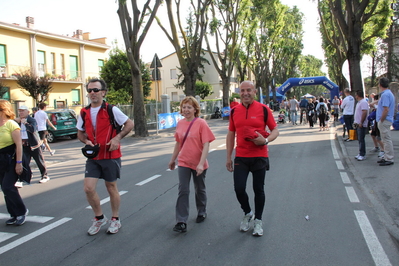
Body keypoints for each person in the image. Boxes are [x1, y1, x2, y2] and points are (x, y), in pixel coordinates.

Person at [77, 78, 134, 235]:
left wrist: (117, 138)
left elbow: (129, 124)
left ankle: (115, 219)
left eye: (95, 90)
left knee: (111, 187)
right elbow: (80, 132)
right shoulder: (84, 112)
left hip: (110, 155)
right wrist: (86, 140)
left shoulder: (111, 109)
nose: (92, 93)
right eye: (89, 90)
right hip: (93, 156)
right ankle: (99, 218)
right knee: (88, 188)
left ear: (103, 92)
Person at [226, 81, 279, 237]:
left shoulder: (264, 110)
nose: (245, 93)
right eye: (242, 91)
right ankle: (248, 212)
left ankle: (258, 221)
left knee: (258, 189)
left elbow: (275, 130)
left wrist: (266, 141)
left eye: (248, 90)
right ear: (239, 93)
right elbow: (230, 134)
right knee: (239, 188)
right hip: (241, 156)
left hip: (259, 156)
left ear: (254, 92)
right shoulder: (234, 111)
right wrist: (228, 156)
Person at [168, 96, 215, 233]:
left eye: (189, 107)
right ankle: (181, 221)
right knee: (183, 190)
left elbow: (206, 144)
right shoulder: (180, 124)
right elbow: (178, 143)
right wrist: (173, 159)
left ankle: (202, 211)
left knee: (199, 188)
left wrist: (201, 164)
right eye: (184, 107)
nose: (186, 109)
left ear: (195, 109)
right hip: (184, 162)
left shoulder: (201, 123)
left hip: (198, 163)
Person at [0, 100, 30, 225]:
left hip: (11, 159)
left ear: (3, 110)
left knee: (8, 186)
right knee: (5, 188)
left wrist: (18, 163)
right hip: (0, 160)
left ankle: (22, 212)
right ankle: (13, 214)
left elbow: (19, 145)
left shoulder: (11, 124)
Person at [15, 106, 49, 183]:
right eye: (20, 111)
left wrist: (25, 123)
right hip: (23, 144)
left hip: (33, 144)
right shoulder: (18, 121)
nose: (21, 113)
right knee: (24, 162)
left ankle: (44, 175)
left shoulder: (32, 120)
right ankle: (23, 179)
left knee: (39, 161)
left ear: (28, 112)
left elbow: (32, 130)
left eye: (22, 111)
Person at [376, 77, 395, 166]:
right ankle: (386, 156)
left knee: (386, 139)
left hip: (385, 120)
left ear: (380, 85)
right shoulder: (387, 93)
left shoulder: (385, 95)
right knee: (385, 139)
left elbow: (386, 109)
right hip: (386, 119)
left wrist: (381, 119)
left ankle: (389, 158)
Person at [353, 90, 369, 161]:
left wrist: (361, 122)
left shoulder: (363, 102)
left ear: (358, 95)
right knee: (359, 139)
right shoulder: (359, 102)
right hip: (357, 123)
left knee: (361, 139)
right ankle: (360, 153)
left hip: (361, 124)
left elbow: (364, 112)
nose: (355, 96)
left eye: (356, 95)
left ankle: (362, 154)